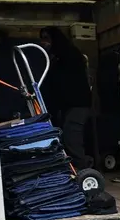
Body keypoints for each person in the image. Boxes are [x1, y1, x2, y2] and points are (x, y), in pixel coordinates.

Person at [39, 26, 93, 168]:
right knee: (68, 134)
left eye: (46, 38)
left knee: (71, 135)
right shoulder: (58, 56)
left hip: (77, 103)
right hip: (69, 105)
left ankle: (82, 168)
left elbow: (63, 83)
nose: (43, 42)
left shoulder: (67, 55)